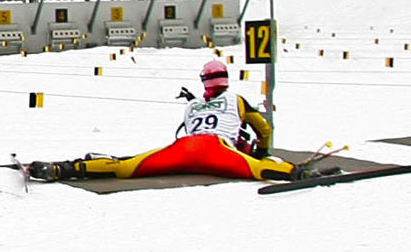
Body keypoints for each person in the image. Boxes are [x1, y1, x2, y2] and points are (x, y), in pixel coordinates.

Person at [26, 59, 331, 182]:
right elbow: (263, 128)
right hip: (216, 149)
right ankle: (302, 174)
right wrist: (262, 152)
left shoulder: (193, 104)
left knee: (125, 167)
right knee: (257, 169)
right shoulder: (237, 99)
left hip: (183, 147)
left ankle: (61, 169)